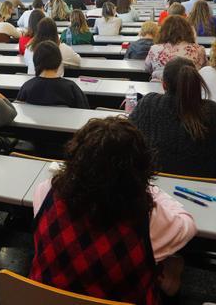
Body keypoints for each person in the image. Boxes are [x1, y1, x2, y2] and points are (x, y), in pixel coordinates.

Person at [31, 116, 197, 302]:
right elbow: (188, 225)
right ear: (141, 167)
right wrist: (148, 188)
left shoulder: (45, 192)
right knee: (169, 264)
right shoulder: (150, 219)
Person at [131, 58, 216, 178]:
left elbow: (129, 139)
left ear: (163, 84)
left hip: (154, 185)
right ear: (195, 82)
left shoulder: (148, 103)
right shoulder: (214, 112)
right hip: (204, 189)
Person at [17, 41, 89, 109]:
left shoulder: (27, 86)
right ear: (59, 61)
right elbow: (84, 112)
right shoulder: (71, 88)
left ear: (36, 61)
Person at [145, 16, 207, 81]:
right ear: (188, 31)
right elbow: (204, 70)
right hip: (188, 88)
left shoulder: (154, 49)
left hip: (158, 87)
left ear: (163, 31)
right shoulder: (199, 49)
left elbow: (147, 68)